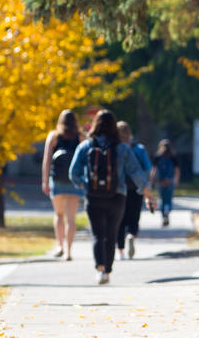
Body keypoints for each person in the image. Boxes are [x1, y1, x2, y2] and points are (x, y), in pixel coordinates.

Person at [70, 109, 150, 285]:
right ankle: (107, 271)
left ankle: (99, 269)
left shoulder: (86, 146)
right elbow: (136, 171)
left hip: (93, 197)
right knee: (112, 234)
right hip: (117, 196)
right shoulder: (122, 148)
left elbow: (73, 172)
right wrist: (147, 192)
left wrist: (84, 184)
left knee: (98, 234)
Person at [40, 110, 83, 260]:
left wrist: (45, 180)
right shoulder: (80, 137)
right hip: (75, 182)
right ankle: (69, 252)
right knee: (71, 218)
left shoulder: (53, 136)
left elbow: (47, 160)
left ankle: (60, 245)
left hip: (57, 180)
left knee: (59, 214)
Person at [115, 120, 153, 259]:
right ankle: (131, 235)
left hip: (119, 188)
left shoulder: (115, 148)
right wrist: (146, 185)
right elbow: (148, 168)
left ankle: (120, 250)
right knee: (134, 216)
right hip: (137, 187)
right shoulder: (139, 148)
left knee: (119, 218)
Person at [152, 139, 181, 227]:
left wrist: (151, 180)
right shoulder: (173, 157)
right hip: (170, 181)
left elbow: (154, 170)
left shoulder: (157, 156)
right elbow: (177, 170)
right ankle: (167, 214)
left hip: (159, 182)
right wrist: (176, 180)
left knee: (162, 200)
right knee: (168, 200)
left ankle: (163, 217)